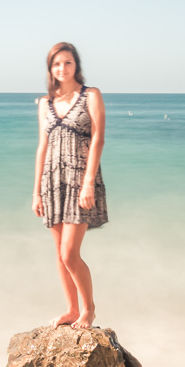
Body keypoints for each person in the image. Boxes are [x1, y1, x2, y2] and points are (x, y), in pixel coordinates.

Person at [31, 41, 107, 329]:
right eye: (56, 64)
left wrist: (88, 183)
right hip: (52, 183)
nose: (62, 68)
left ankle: (89, 309)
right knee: (59, 256)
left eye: (68, 62)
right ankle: (72, 309)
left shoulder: (91, 95)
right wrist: (36, 191)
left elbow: (98, 139)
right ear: (50, 69)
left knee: (69, 253)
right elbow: (42, 146)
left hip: (79, 181)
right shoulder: (45, 103)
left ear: (77, 65)